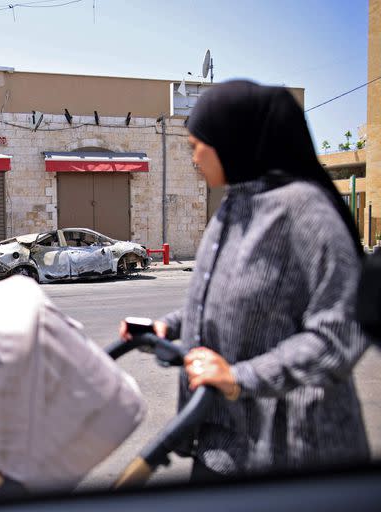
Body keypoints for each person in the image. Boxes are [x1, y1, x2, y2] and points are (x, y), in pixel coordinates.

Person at [120, 80, 370, 480]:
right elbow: (222, 300)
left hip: (292, 457)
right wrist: (167, 326)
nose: (192, 158)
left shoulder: (305, 212)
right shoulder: (234, 206)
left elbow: (340, 333)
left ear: (230, 140)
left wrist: (241, 377)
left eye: (195, 146)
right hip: (224, 445)